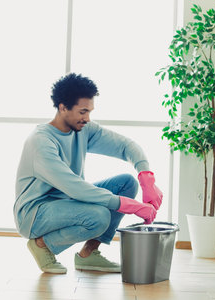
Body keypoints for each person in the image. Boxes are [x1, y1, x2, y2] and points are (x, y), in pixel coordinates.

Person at [14, 73, 163, 274]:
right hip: (34, 213)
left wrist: (147, 179)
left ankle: (89, 254)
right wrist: (130, 206)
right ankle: (42, 244)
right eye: (82, 112)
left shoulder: (82, 129)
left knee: (127, 183)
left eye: (89, 111)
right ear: (62, 107)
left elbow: (127, 146)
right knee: (99, 217)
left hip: (67, 201)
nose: (87, 118)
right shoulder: (41, 142)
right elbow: (75, 187)